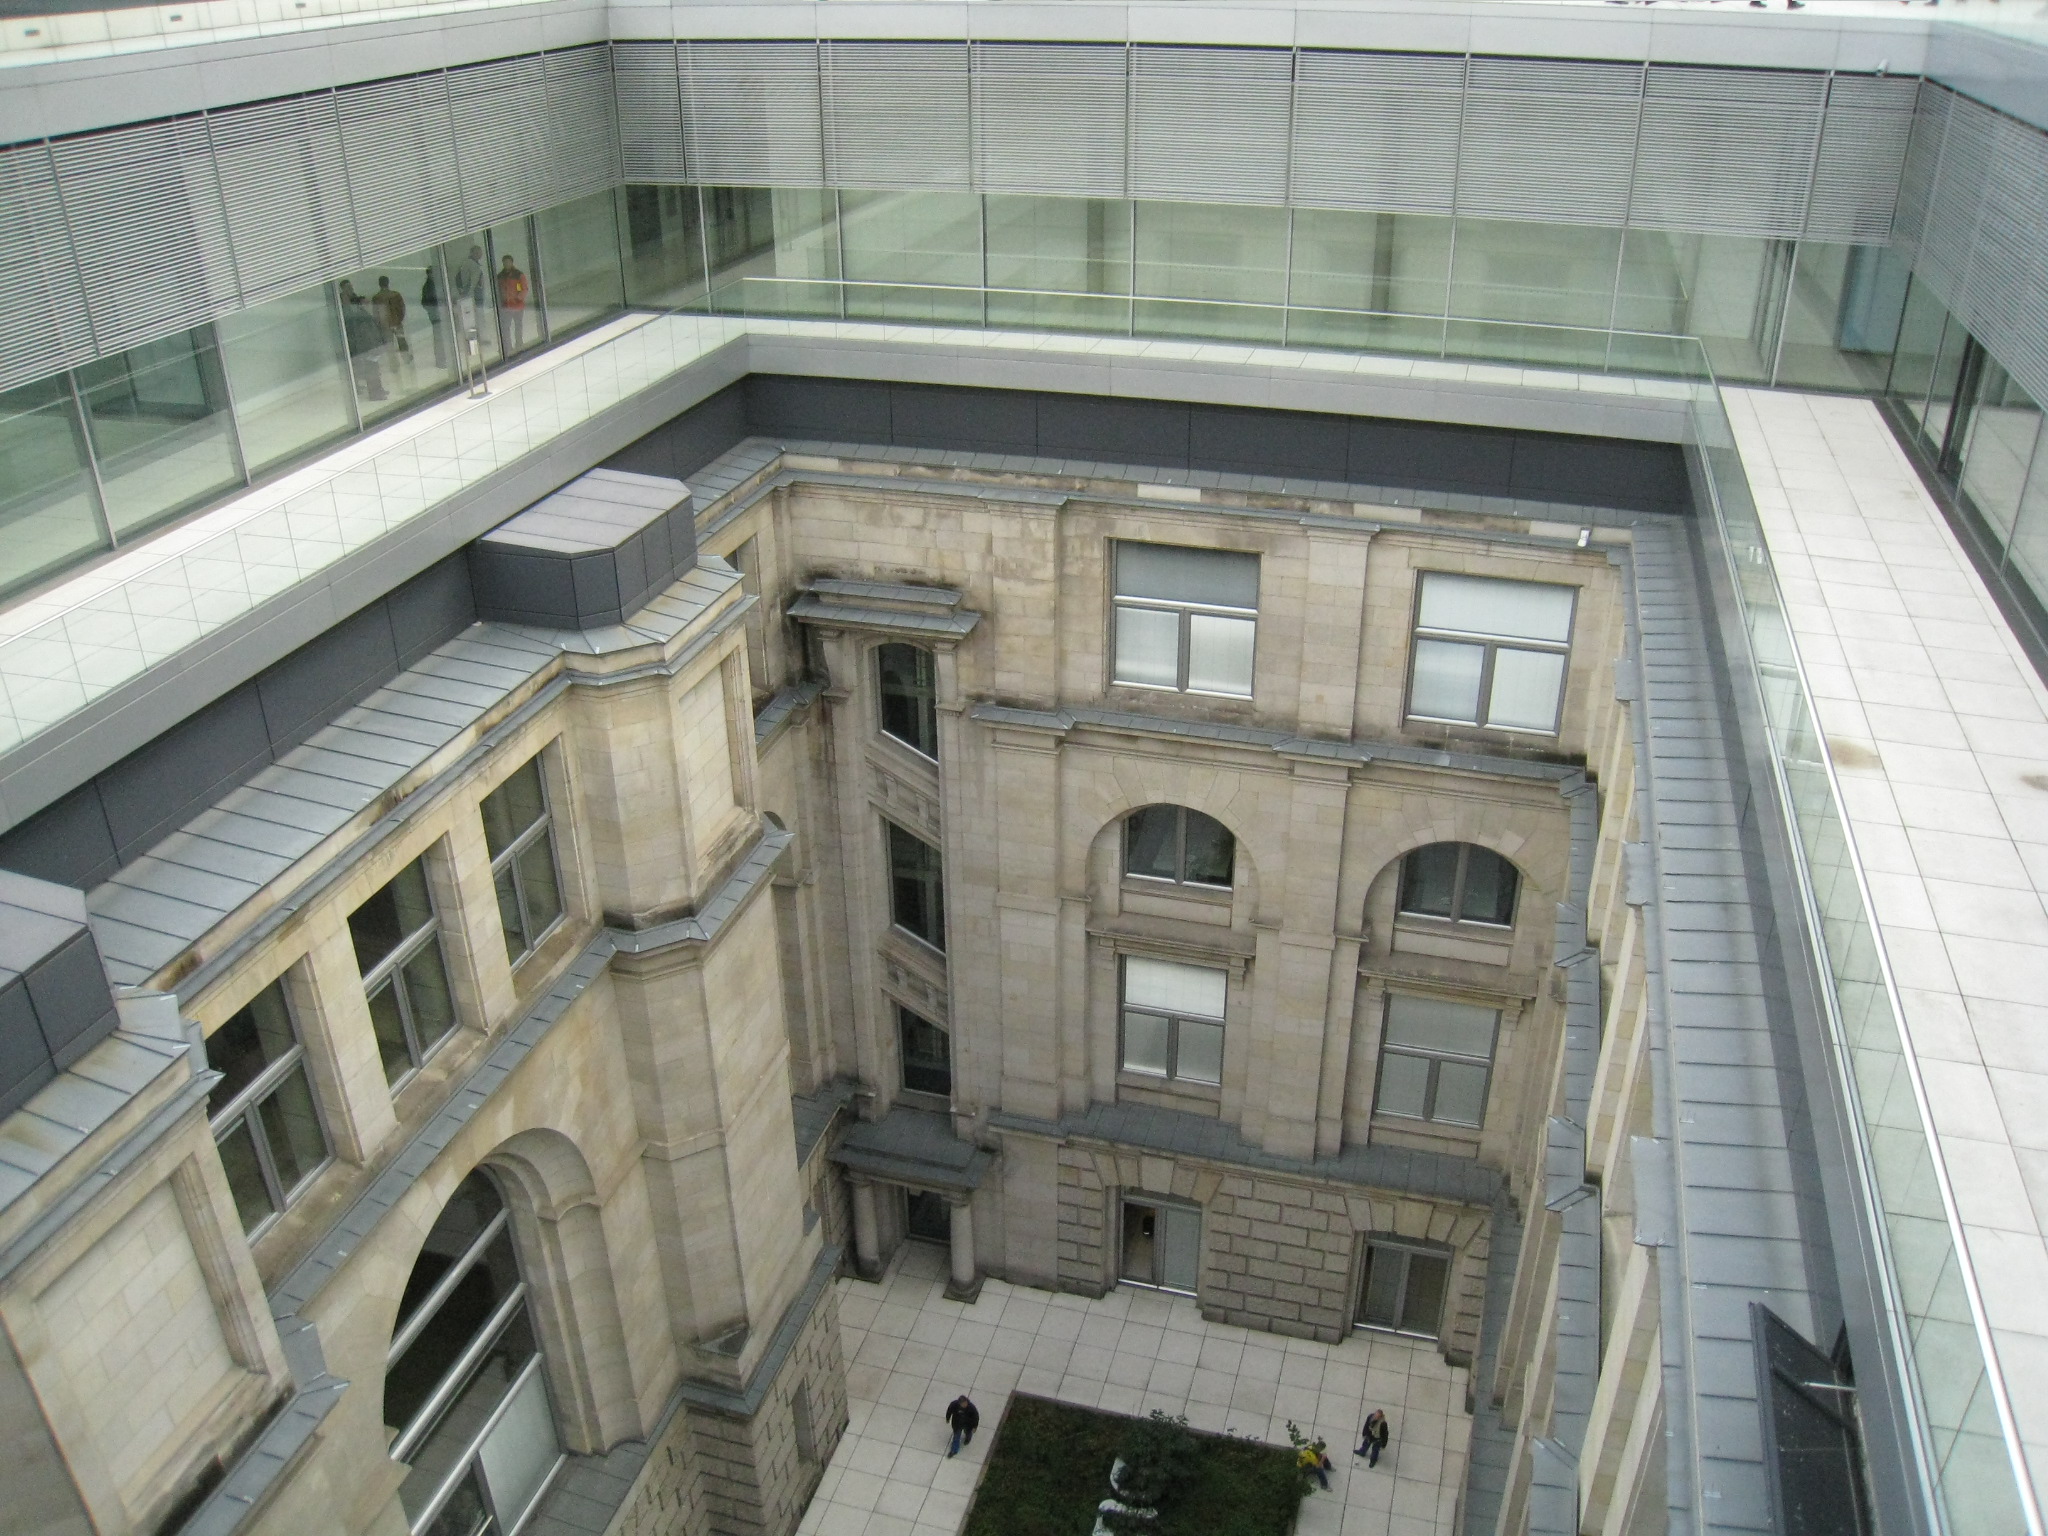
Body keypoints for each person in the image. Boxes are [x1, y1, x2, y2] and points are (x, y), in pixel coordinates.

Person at [336, 281, 387, 401]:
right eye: (348, 287)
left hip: (368, 344)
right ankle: (375, 392)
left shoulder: (358, 309)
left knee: (373, 368)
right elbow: (359, 330)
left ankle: (377, 389)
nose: (351, 289)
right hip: (364, 345)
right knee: (370, 369)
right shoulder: (353, 313)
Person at [497, 254, 530, 350]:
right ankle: (508, 346)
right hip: (506, 306)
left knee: (518, 325)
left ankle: (519, 343)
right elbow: (498, 290)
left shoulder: (518, 275)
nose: (506, 264)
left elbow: (524, 288)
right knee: (506, 327)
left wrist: (518, 298)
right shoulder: (500, 276)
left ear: (512, 262)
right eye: (505, 262)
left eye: (508, 262)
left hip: (517, 305)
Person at [370, 276, 408, 356]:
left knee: (389, 345)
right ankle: (406, 358)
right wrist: (399, 319)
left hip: (385, 325)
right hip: (396, 322)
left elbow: (376, 313)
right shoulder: (396, 295)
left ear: (379, 284)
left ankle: (393, 361)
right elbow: (402, 309)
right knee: (402, 342)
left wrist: (379, 324)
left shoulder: (376, 298)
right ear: (388, 283)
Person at [421, 266, 448, 369]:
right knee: (439, 339)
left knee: (440, 338)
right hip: (436, 316)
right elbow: (427, 302)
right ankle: (441, 361)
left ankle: (442, 359)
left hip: (437, 315)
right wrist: (434, 310)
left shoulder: (432, 285)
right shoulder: (429, 286)